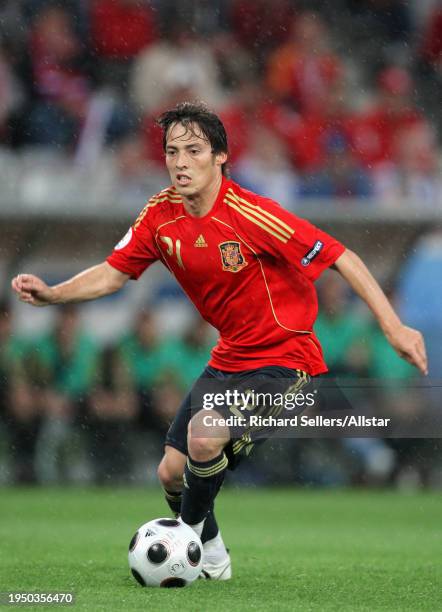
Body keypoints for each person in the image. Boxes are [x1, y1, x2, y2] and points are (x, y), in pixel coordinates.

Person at [11, 102, 427, 581]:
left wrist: (394, 327)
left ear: (221, 157)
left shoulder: (252, 213)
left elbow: (342, 256)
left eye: (194, 151)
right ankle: (209, 551)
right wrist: (54, 294)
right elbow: (112, 273)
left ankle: (181, 542)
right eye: (172, 152)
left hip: (285, 362)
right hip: (229, 358)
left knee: (205, 435)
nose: (181, 162)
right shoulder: (159, 215)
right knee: (169, 472)